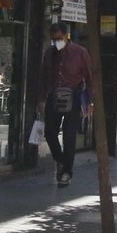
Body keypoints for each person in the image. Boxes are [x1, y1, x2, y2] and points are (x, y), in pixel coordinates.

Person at [36, 22, 92, 186]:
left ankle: (66, 171)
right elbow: (44, 77)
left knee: (69, 135)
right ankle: (61, 159)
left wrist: (90, 101)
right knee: (50, 132)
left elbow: (89, 78)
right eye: (53, 40)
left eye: (59, 39)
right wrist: (41, 98)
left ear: (66, 36)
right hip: (54, 95)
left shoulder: (80, 53)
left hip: (73, 96)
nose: (56, 42)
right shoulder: (50, 53)